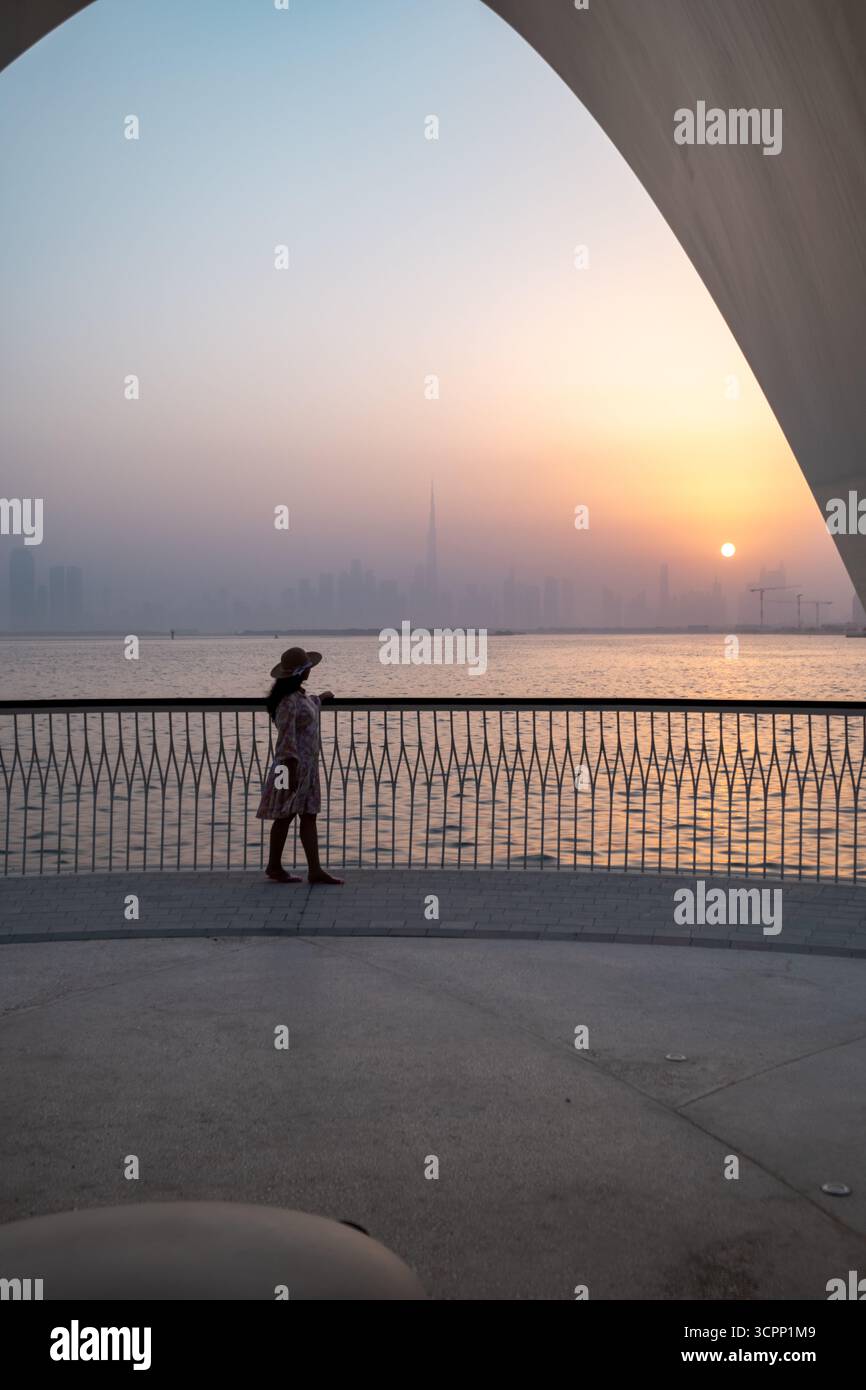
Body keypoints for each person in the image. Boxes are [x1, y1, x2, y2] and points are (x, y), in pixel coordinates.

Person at [257, 647, 343, 885]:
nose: (310, 672)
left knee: (308, 815)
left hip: (307, 768)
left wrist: (321, 698)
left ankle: (314, 869)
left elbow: (308, 709)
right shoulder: (287, 703)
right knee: (285, 816)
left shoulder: (299, 697)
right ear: (301, 672)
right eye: (307, 668)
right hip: (292, 767)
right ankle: (274, 866)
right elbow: (286, 738)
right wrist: (291, 770)